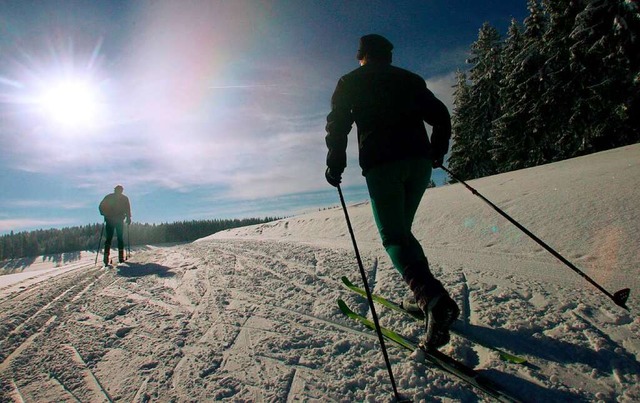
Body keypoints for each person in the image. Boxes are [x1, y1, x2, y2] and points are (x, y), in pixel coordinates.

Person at [325, 34, 459, 348]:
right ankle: (424, 296)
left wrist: (336, 162)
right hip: (419, 163)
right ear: (388, 56)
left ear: (362, 56)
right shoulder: (410, 80)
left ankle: (433, 300)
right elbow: (440, 116)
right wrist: (438, 149)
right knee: (403, 232)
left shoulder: (350, 81)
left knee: (394, 237)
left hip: (383, 165)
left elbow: (338, 124)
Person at [99, 185, 132, 265]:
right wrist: (128, 218)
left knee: (109, 238)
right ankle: (121, 258)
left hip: (109, 220)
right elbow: (127, 209)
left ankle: (106, 257)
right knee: (120, 238)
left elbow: (101, 207)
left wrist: (104, 213)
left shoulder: (108, 197)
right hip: (119, 220)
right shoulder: (124, 198)